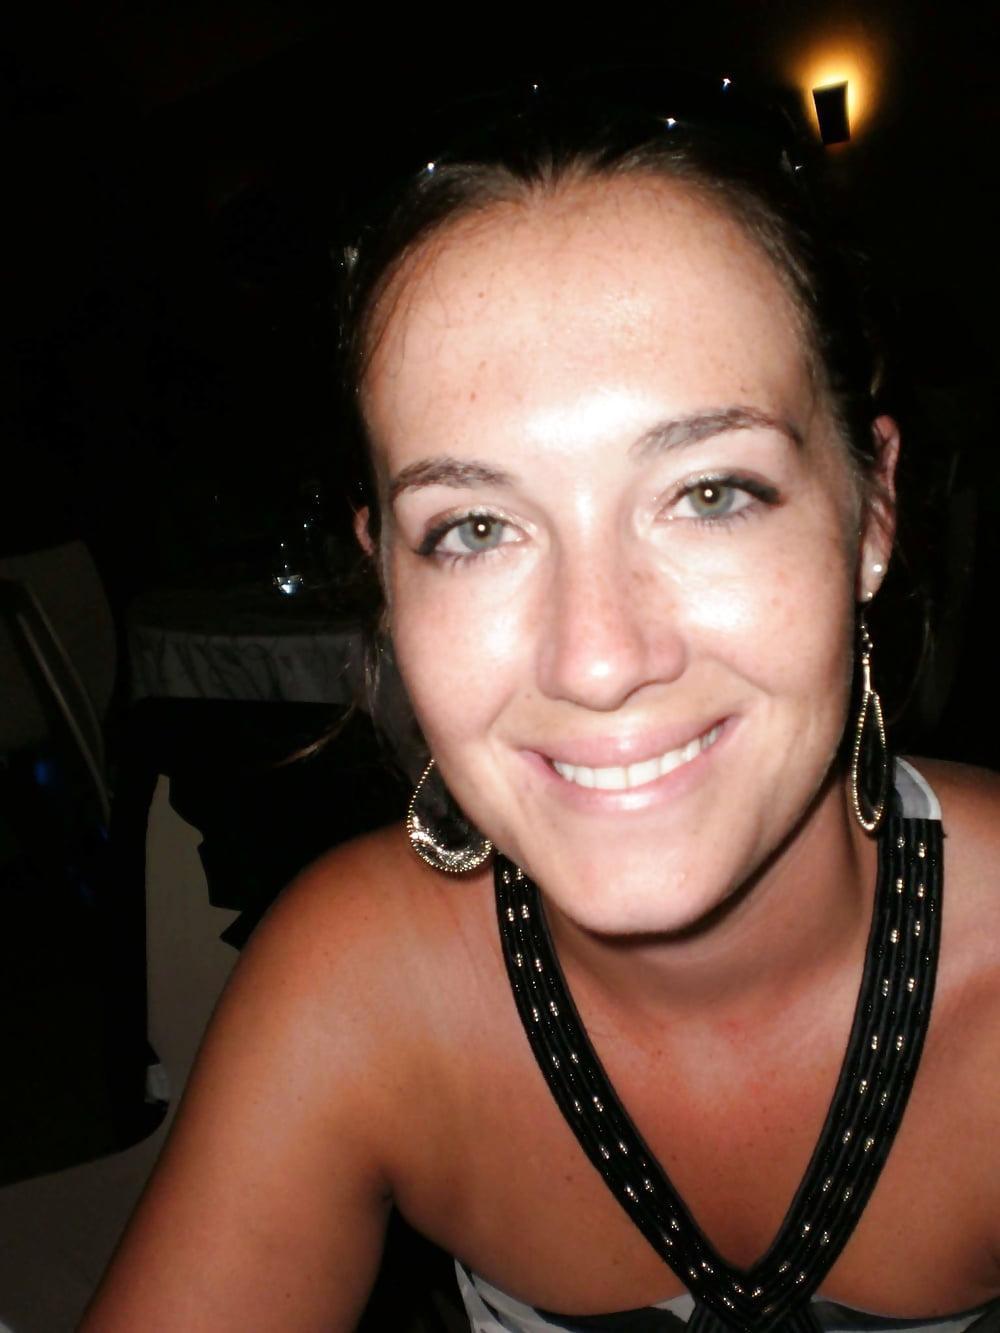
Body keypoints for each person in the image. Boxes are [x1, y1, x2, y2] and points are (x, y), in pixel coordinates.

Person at [81, 80, 1000, 1332]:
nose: (597, 659)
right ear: (386, 577)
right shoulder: (358, 989)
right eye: (474, 527)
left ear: (871, 507)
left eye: (709, 493)